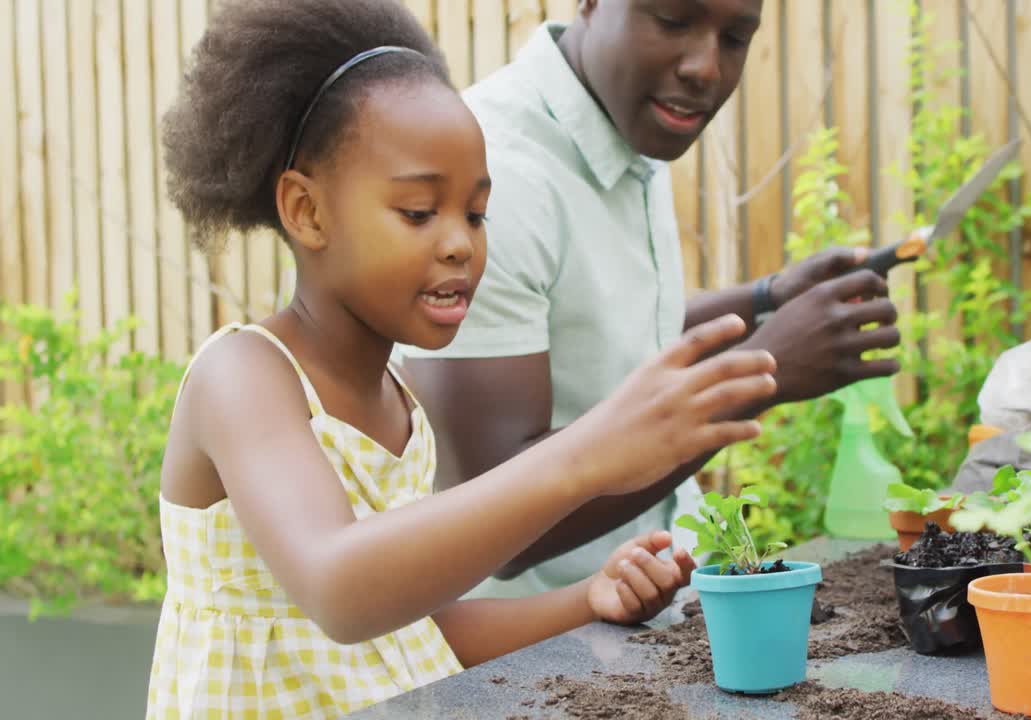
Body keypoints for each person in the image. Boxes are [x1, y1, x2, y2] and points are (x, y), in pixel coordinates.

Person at [146, 1, 781, 717]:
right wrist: (586, 455)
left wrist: (586, 599)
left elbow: (413, 629)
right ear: (308, 211)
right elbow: (340, 592)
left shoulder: (397, 401)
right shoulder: (245, 378)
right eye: (419, 213)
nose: (460, 244)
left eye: (476, 214)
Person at [396, 0, 902, 600]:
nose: (706, 68)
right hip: (525, 664)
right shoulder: (497, 177)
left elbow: (608, 324)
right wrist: (765, 372)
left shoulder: (621, 117)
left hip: (651, 620)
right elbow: (493, 531)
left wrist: (769, 297)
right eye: (673, 20)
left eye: (736, 38)